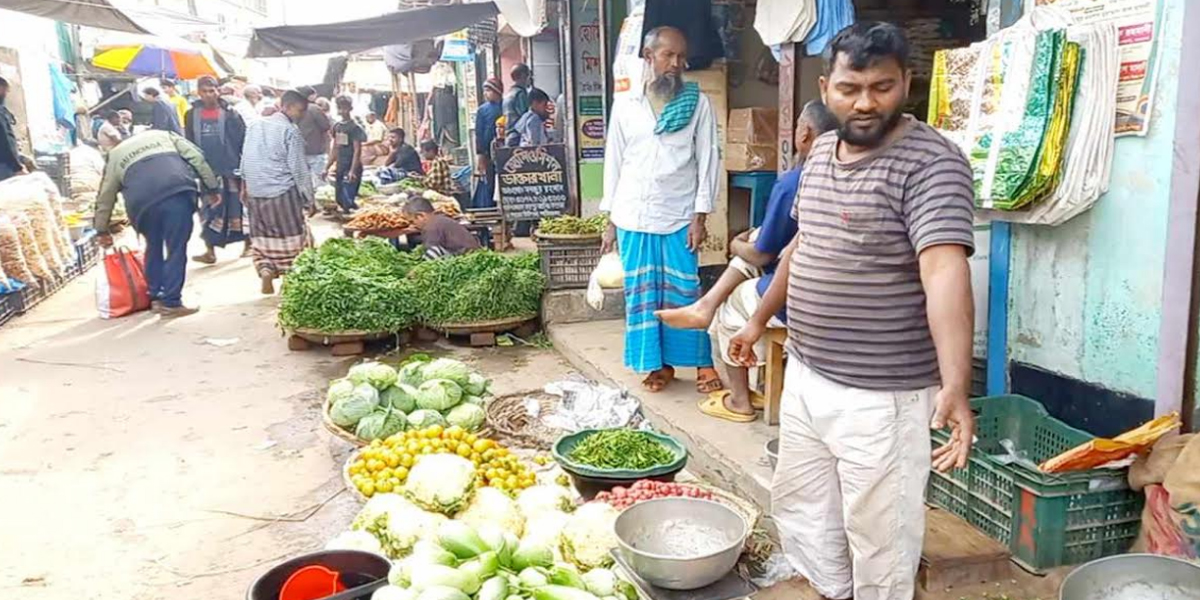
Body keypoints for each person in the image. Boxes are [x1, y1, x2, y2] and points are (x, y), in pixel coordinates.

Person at [726, 23, 977, 600]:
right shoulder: (818, 157)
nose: (865, 102)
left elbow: (944, 271)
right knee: (805, 512)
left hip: (883, 396)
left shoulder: (931, 164)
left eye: (882, 86)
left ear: (906, 84)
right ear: (827, 86)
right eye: (850, 88)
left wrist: (956, 385)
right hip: (809, 376)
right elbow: (800, 247)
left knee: (881, 539)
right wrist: (759, 320)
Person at [656, 100, 839, 421]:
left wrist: (735, 242)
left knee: (730, 308)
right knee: (752, 249)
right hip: (836, 291)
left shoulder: (796, 180)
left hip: (802, 298)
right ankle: (704, 305)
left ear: (805, 133)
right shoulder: (849, 174)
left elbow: (763, 254)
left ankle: (740, 400)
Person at [600, 26, 721, 395]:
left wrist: (700, 215)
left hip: (678, 215)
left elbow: (708, 159)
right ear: (648, 57)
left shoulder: (697, 103)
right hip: (633, 216)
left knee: (684, 290)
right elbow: (614, 163)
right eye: (669, 55)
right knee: (643, 294)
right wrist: (609, 220)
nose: (677, 64)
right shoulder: (626, 105)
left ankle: (702, 364)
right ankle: (658, 365)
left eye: (682, 57)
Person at [93, 129, 220, 317]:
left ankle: (156, 296)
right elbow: (196, 158)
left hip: (142, 205)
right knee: (176, 248)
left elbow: (106, 193)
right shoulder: (166, 136)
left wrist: (101, 229)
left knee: (153, 246)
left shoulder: (116, 154)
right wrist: (212, 187)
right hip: (176, 193)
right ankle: (171, 302)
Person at [239, 89, 314, 294]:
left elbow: (244, 159)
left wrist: (244, 186)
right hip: (282, 193)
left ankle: (265, 269)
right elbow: (299, 169)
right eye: (299, 111)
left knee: (262, 236)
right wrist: (309, 198)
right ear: (286, 107)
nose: (301, 116)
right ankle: (290, 278)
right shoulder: (291, 131)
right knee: (293, 236)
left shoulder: (254, 125)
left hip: (256, 191)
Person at [185, 75, 250, 264]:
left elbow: (242, 140)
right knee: (208, 210)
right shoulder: (191, 115)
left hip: (230, 169)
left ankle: (249, 245)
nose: (208, 95)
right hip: (205, 171)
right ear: (199, 93)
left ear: (218, 91)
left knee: (237, 207)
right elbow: (188, 141)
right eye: (204, 91)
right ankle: (210, 251)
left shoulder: (231, 113)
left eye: (212, 90)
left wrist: (242, 166)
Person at [325, 95, 366, 214]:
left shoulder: (355, 128)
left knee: (349, 197)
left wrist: (352, 170)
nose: (342, 111)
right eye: (340, 108)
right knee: (340, 197)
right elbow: (336, 148)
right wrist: (327, 167)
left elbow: (357, 150)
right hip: (341, 165)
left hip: (352, 164)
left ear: (350, 108)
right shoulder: (337, 127)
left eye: (345, 108)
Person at [402, 197, 479, 259]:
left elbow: (431, 253)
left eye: (412, 221)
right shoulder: (439, 220)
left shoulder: (432, 227)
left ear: (421, 216)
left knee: (433, 252)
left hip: (468, 259)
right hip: (470, 255)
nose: (412, 225)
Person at [471, 78, 503, 209]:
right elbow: (479, 134)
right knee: (489, 182)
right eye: (484, 90)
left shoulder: (506, 106)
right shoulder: (482, 110)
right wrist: (480, 155)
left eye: (488, 90)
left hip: (504, 151)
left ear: (497, 91)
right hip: (488, 153)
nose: (485, 93)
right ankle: (490, 208)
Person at [297, 86, 332, 190]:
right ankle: (321, 201)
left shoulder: (295, 108)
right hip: (315, 149)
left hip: (299, 149)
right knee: (319, 180)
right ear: (311, 96)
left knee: (304, 180)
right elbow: (326, 125)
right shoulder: (314, 108)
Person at [0, 77, 23, 182]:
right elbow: (5, 139)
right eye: (6, 89)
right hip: (3, 164)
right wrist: (17, 167)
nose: (7, 93)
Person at [503, 63, 532, 129]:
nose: (530, 78)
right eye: (528, 75)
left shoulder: (509, 94)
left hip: (509, 131)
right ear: (523, 76)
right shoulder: (520, 94)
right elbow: (525, 116)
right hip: (518, 133)